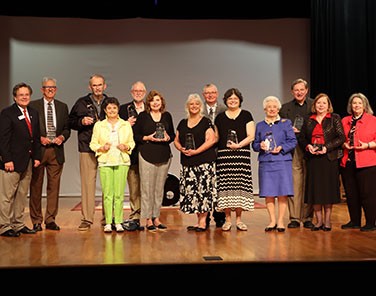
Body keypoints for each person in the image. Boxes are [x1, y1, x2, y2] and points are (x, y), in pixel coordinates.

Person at [298, 93, 345, 231]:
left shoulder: (334, 118)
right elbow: (301, 138)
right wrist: (308, 146)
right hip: (313, 160)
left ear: (328, 105)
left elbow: (341, 137)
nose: (321, 105)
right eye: (318, 103)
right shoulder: (308, 119)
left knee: (328, 191)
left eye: (324, 103)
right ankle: (318, 221)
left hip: (329, 159)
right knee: (316, 191)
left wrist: (326, 148)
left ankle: (327, 221)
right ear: (315, 105)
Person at [29, 77, 71, 232]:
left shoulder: (62, 106)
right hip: (39, 150)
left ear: (56, 89)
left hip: (56, 151)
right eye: (47, 87)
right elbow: (30, 128)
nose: (50, 89)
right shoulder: (33, 106)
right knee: (36, 186)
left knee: (54, 187)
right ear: (42, 89)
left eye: (53, 87)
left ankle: (50, 219)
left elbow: (67, 128)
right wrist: (38, 138)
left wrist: (62, 137)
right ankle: (36, 220)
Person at [0, 82, 41, 237]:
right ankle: (5, 226)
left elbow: (35, 137)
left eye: (27, 94)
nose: (24, 97)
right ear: (15, 97)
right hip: (11, 161)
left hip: (28, 161)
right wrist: (7, 159)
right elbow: (3, 139)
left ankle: (18, 224)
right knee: (7, 196)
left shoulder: (33, 112)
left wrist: (37, 157)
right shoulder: (7, 113)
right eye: (21, 95)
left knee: (22, 194)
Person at [69, 74, 108, 231]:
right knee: (87, 184)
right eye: (94, 85)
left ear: (104, 86)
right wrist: (81, 122)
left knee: (108, 185)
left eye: (100, 85)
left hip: (107, 149)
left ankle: (108, 218)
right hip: (87, 147)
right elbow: (70, 121)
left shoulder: (111, 102)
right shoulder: (81, 103)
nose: (97, 88)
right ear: (89, 87)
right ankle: (87, 219)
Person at [90, 97, 135, 233]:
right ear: (105, 110)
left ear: (118, 109)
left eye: (114, 108)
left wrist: (126, 146)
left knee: (119, 194)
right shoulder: (99, 125)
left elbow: (132, 143)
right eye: (109, 108)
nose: (112, 110)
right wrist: (101, 148)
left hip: (122, 161)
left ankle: (119, 221)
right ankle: (108, 222)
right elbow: (93, 144)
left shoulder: (125, 124)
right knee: (108, 194)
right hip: (105, 161)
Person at [252, 96, 297, 232]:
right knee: (269, 193)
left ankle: (280, 221)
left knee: (282, 193)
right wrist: (259, 145)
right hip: (266, 163)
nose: (272, 109)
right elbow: (254, 145)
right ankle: (272, 221)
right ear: (265, 109)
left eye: (274, 107)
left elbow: (292, 141)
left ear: (278, 109)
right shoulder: (260, 125)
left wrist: (282, 148)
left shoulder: (286, 123)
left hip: (282, 162)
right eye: (269, 107)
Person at [174, 93, 217, 232]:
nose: (194, 106)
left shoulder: (206, 122)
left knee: (203, 192)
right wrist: (180, 148)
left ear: (201, 106)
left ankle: (203, 221)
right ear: (187, 106)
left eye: (197, 104)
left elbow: (211, 140)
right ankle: (199, 221)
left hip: (203, 162)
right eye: (191, 104)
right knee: (193, 193)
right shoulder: (182, 122)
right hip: (188, 163)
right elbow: (176, 140)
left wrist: (196, 151)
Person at [133, 90, 175, 231]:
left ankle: (156, 218)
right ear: (148, 103)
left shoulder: (167, 116)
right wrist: (148, 138)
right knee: (147, 189)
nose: (156, 103)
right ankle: (147, 219)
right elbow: (136, 135)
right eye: (153, 100)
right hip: (146, 155)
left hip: (163, 155)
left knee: (159, 189)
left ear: (161, 102)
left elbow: (173, 135)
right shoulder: (143, 116)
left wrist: (169, 137)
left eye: (158, 100)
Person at [214, 88, 255, 231]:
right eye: (230, 99)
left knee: (239, 187)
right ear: (225, 100)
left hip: (241, 155)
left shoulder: (246, 115)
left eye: (235, 99)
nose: (232, 101)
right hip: (224, 156)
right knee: (225, 187)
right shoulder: (219, 117)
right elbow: (217, 137)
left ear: (240, 100)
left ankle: (239, 220)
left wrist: (238, 145)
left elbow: (251, 136)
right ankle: (227, 220)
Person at [279, 78, 315, 229]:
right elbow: (279, 129)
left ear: (306, 90)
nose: (299, 92)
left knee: (310, 183)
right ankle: (294, 217)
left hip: (311, 148)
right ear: (292, 92)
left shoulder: (315, 105)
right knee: (295, 183)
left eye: (302, 89)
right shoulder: (285, 108)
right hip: (293, 149)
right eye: (296, 90)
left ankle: (307, 217)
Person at [340, 93, 376, 231]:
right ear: (350, 105)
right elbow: (340, 138)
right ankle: (354, 221)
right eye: (354, 103)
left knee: (368, 195)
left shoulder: (373, 120)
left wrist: (367, 145)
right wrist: (344, 145)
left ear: (365, 105)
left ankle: (371, 223)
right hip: (348, 162)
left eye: (359, 103)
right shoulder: (345, 120)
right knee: (351, 194)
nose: (356, 105)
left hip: (367, 163)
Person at [119, 81, 146, 231]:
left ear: (145, 92)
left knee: (148, 188)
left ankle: (150, 217)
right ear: (131, 92)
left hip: (149, 153)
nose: (138, 92)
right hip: (131, 154)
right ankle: (135, 217)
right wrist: (125, 124)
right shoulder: (123, 109)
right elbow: (114, 129)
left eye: (141, 90)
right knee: (134, 187)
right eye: (135, 90)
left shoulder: (150, 108)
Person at [202, 83, 227, 228]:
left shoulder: (224, 110)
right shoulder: (198, 109)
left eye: (212, 93)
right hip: (203, 153)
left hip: (220, 152)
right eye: (207, 93)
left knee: (219, 186)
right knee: (205, 185)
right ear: (203, 95)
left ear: (217, 94)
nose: (210, 95)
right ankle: (204, 217)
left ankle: (219, 216)